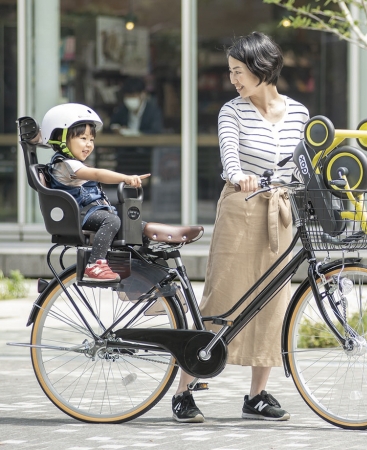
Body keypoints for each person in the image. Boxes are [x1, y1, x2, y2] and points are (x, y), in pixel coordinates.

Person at [171, 32, 309, 423]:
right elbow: (229, 158)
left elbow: (302, 165)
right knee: (221, 297)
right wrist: (241, 176)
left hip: (280, 213)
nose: (233, 79)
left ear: (261, 68)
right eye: (230, 71)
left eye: (238, 71)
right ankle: (183, 391)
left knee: (271, 303)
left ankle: (257, 396)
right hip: (240, 206)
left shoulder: (299, 113)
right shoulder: (231, 111)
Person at [40, 103, 150, 282]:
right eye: (83, 138)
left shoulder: (74, 164)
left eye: (91, 140)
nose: (88, 144)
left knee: (139, 227)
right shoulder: (66, 165)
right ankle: (95, 264)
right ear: (61, 138)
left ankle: (142, 273)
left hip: (92, 211)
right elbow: (98, 174)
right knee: (111, 220)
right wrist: (126, 178)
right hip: (80, 215)